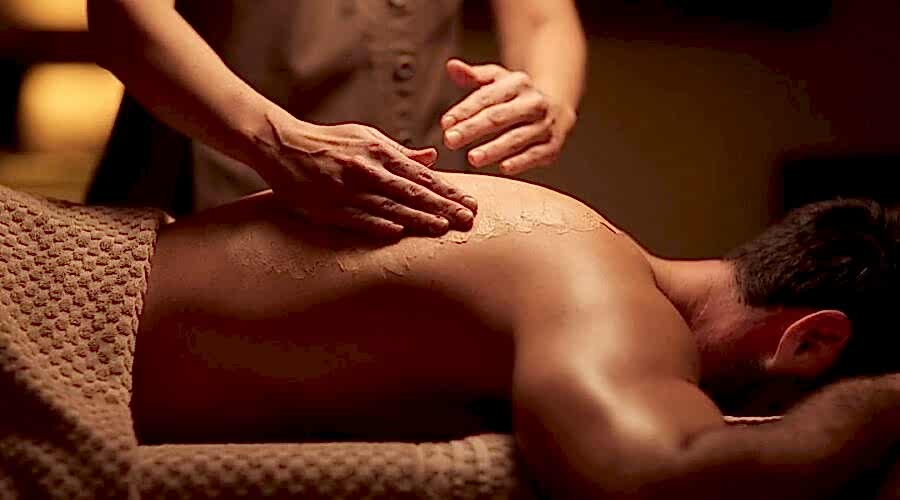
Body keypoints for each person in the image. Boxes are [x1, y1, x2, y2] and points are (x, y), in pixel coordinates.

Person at [130, 171, 900, 498]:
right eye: (776, 411)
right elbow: (655, 477)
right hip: (67, 310)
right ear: (810, 343)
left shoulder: (584, 246)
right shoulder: (609, 296)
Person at [84, 0, 587, 237]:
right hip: (208, 202)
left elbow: (542, 18)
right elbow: (122, 16)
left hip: (427, 198)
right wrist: (276, 142)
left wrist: (548, 95)